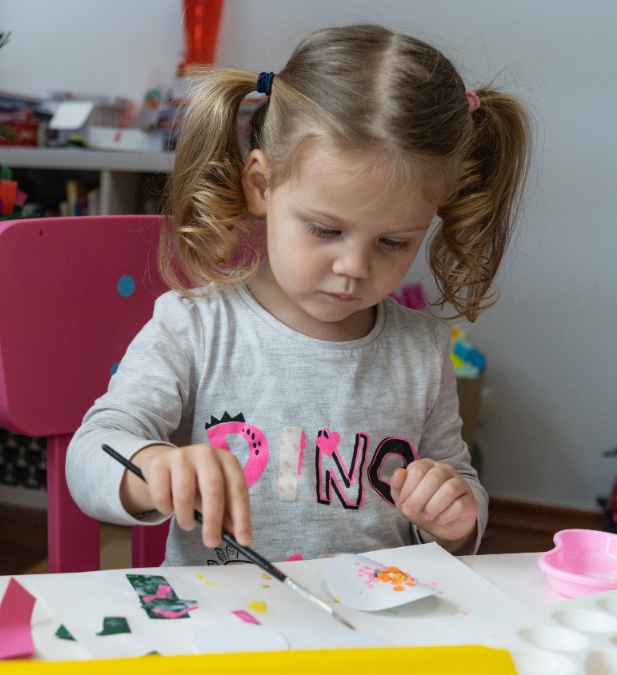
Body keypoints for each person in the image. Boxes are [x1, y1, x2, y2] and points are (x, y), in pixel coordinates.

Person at [66, 24, 530, 566]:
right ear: (261, 185)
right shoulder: (195, 327)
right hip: (222, 630)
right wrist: (149, 468)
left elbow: (462, 488)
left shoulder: (422, 352)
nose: (354, 267)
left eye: (393, 241)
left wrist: (454, 516)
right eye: (326, 230)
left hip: (370, 624)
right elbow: (91, 453)